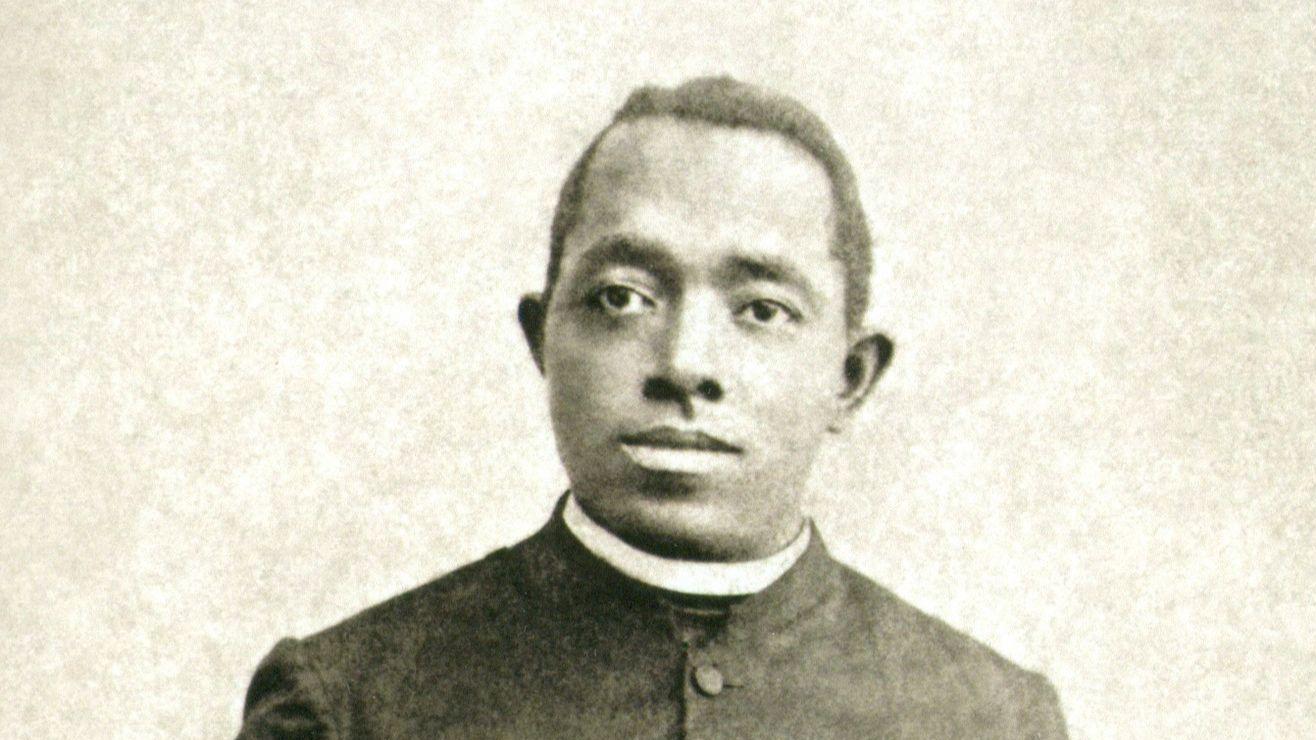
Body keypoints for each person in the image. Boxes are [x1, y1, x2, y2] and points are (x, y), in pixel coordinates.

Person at [236, 76, 1068, 739]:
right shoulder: (348, 704)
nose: (685, 365)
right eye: (623, 298)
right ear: (542, 339)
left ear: (850, 378)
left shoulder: (990, 720)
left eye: (762, 310)